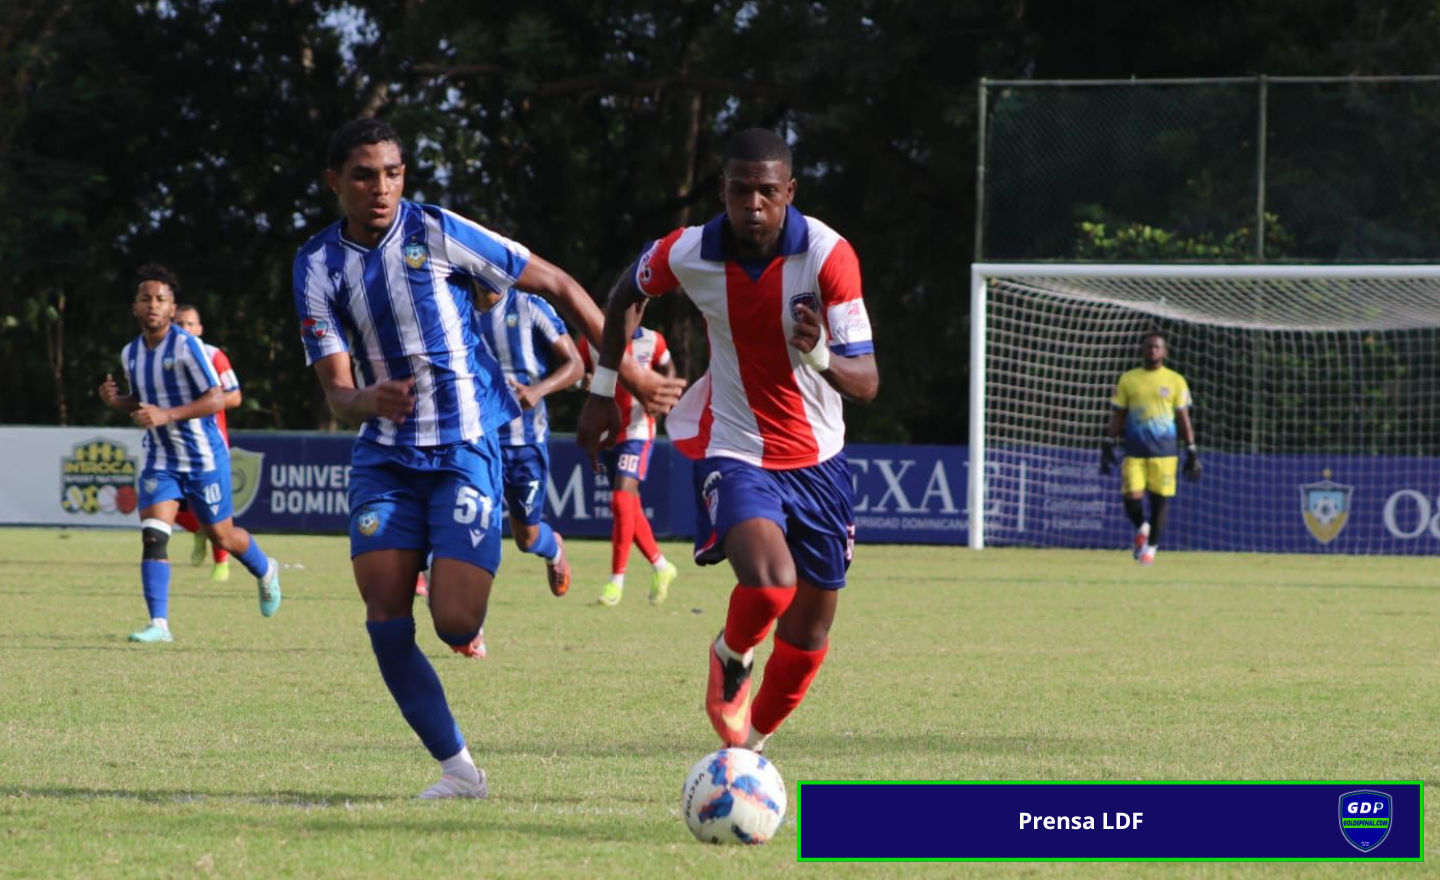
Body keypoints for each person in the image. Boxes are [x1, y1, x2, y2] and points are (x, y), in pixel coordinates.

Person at [293, 118, 683, 800]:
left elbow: (558, 283)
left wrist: (628, 373)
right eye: (363, 174)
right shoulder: (315, 265)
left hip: (466, 447)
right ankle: (460, 771)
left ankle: (503, 552)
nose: (380, 188)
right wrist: (363, 400)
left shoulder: (436, 229)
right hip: (384, 458)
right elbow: (335, 387)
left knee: (455, 623)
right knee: (386, 620)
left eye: (392, 172)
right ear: (334, 183)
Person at [578, 128, 878, 753]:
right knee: (770, 583)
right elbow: (625, 292)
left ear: (789, 191)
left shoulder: (828, 255)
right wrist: (604, 389)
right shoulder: (689, 251)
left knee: (809, 636)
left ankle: (748, 750)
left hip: (821, 464)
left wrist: (821, 353)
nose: (754, 205)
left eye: (768, 191)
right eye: (740, 191)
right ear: (722, 191)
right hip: (736, 449)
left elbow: (868, 381)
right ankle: (729, 652)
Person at [98, 265, 282, 644]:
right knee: (153, 535)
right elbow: (144, 399)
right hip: (161, 459)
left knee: (224, 537)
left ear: (171, 308)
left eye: (160, 300)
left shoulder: (187, 346)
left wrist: (166, 415)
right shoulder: (130, 353)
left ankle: (266, 570)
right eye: (145, 299)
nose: (152, 305)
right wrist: (119, 401)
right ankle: (159, 625)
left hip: (203, 459)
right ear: (134, 307)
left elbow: (217, 397)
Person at [471, 281, 583, 599]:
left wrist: (538, 390)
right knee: (473, 528)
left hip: (525, 441)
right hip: (477, 439)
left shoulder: (530, 306)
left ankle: (553, 549)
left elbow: (575, 365)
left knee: (527, 539)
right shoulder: (458, 307)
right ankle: (467, 624)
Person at [577, 330, 680, 607]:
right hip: (607, 431)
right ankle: (661, 566)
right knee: (629, 506)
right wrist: (581, 381)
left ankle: (616, 581)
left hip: (638, 429)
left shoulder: (654, 340)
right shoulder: (593, 339)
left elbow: (669, 367)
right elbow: (575, 368)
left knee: (621, 498)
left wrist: (665, 395)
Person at [1100, 331, 1201, 566]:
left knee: (1159, 502)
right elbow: (1119, 414)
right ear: (1142, 350)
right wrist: (1107, 442)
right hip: (1134, 449)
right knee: (1131, 497)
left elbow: (1183, 417)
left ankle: (1151, 549)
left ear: (1164, 352)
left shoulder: (1175, 380)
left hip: (1165, 451)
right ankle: (1142, 527)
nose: (1152, 351)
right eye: (1149, 347)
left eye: (1157, 347)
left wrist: (1192, 449)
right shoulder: (1128, 379)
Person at [172, 304, 243, 582]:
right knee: (162, 504)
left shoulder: (213, 355)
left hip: (210, 445)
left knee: (216, 509)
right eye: (179, 323)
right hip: (174, 444)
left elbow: (235, 397)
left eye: (190, 324)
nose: (184, 329)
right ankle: (199, 530)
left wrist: (196, 407)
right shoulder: (161, 356)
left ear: (199, 329)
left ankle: (221, 565)